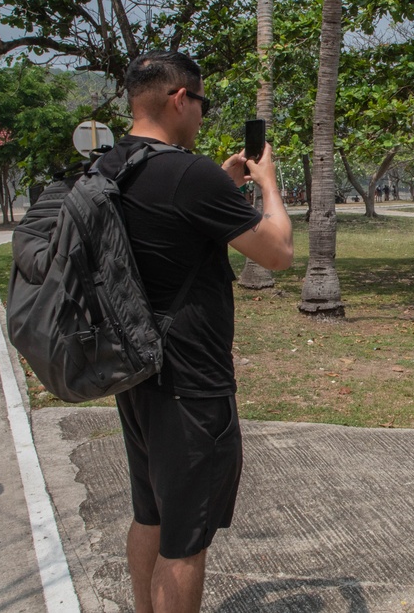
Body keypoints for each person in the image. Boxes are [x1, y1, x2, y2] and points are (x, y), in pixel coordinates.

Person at [108, 51, 293, 613]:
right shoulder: (186, 172)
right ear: (179, 99)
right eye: (202, 102)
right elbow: (278, 251)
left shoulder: (111, 164)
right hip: (191, 379)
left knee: (150, 514)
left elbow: (167, 230)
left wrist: (221, 182)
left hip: (136, 366)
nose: (203, 115)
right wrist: (268, 185)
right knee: (185, 541)